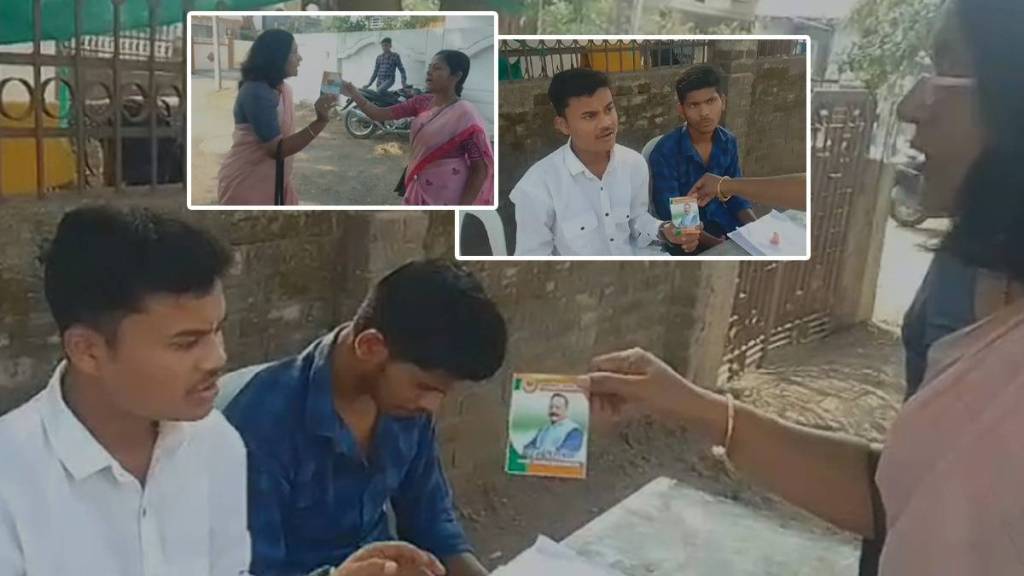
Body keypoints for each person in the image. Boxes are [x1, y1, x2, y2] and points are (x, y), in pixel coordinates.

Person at [583, 2, 1024, 572]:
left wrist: (735, 223)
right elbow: (899, 491)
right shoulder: (664, 154)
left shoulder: (726, 148)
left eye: (948, 68)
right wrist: (696, 407)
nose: (913, 103)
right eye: (695, 104)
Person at [0, 206, 443, 576]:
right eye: (186, 342)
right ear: (88, 350)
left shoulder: (215, 444)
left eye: (216, 331)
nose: (216, 358)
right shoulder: (12, 478)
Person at [224, 260, 507, 576]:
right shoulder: (263, 426)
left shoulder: (404, 406)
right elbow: (254, 570)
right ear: (371, 346)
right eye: (425, 387)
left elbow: (432, 525)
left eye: (442, 392)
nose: (432, 406)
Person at [510, 68, 698, 256]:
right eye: (589, 116)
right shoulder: (537, 186)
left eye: (609, 109)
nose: (607, 123)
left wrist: (665, 230)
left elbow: (636, 220)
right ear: (564, 125)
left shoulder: (634, 163)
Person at [342, 50, 493, 206]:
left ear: (456, 76)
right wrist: (354, 93)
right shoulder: (421, 102)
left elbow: (479, 170)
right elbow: (379, 114)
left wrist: (461, 210)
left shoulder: (465, 115)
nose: (429, 72)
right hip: (418, 188)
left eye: (437, 68)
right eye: (429, 67)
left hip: (447, 197)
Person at [218, 29, 337, 206]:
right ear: (277, 56)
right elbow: (276, 150)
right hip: (247, 186)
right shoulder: (256, 92)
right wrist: (320, 121)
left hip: (277, 182)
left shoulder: (283, 89)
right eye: (295, 52)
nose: (300, 58)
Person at [649, 64, 756, 253]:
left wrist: (758, 231)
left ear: (723, 101)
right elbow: (676, 217)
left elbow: (735, 196)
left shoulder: (728, 141)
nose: (705, 112)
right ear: (681, 109)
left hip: (726, 227)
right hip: (687, 241)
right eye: (694, 105)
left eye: (711, 101)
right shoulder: (665, 151)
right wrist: (723, 247)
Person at [688, 173, 807, 212]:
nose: (705, 113)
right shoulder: (671, 147)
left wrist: (752, 226)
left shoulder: (728, 141)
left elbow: (739, 200)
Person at [522, 393, 584, 460]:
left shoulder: (574, 430)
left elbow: (565, 455)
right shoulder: (544, 429)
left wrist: (536, 454)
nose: (553, 410)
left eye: (557, 408)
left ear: (566, 410)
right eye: (551, 407)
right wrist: (544, 454)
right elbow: (526, 449)